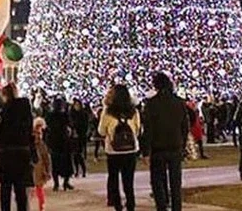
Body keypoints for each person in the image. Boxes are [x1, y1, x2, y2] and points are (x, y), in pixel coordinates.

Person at [142, 72, 189, 211]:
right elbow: (185, 126)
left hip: (158, 147)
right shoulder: (179, 102)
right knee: (175, 182)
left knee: (157, 180)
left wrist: (146, 151)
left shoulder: (151, 104)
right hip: (175, 145)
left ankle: (162, 206)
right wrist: (182, 144)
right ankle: (176, 207)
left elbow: (148, 130)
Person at [98, 83, 141, 211]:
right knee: (129, 181)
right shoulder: (133, 111)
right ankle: (131, 205)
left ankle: (118, 206)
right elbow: (138, 130)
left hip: (113, 151)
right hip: (131, 150)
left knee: (114, 179)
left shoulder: (108, 112)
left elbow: (101, 131)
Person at [0, 84, 34, 211]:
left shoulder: (5, 111)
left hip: (6, 153)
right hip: (22, 152)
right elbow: (29, 131)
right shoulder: (25, 109)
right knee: (20, 188)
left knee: (5, 188)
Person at [44, 97, 74, 191]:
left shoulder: (49, 116)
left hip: (54, 141)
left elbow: (47, 127)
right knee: (66, 163)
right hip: (63, 141)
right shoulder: (64, 115)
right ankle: (65, 182)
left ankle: (56, 184)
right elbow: (70, 125)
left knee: (55, 163)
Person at [32, 118, 52, 211]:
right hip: (32, 168)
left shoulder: (41, 145)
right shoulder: (31, 144)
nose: (38, 135)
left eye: (39, 133)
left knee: (39, 189)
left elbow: (46, 158)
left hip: (39, 169)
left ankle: (41, 206)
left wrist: (48, 170)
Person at [70, 98, 90, 177]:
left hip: (81, 136)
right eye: (76, 105)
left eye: (78, 105)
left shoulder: (83, 114)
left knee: (78, 154)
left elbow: (85, 125)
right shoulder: (71, 114)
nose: (77, 106)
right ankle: (77, 170)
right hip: (73, 137)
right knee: (75, 155)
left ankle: (83, 170)